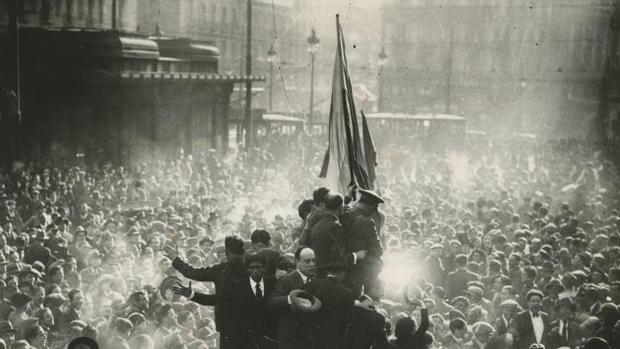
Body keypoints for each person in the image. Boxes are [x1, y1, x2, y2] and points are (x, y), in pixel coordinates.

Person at [268, 247, 317, 349]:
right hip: (290, 335)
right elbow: (272, 300)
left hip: (308, 335)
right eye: (307, 261)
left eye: (314, 260)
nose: (312, 264)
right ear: (297, 262)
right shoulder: (287, 279)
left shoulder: (315, 279)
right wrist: (292, 299)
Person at [342, 189, 385, 299]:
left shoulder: (344, 215)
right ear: (371, 206)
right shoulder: (367, 222)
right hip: (361, 270)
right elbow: (378, 250)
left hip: (344, 265)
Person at [304, 261, 355, 349]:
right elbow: (348, 318)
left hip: (308, 336)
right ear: (342, 273)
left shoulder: (312, 285)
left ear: (328, 271)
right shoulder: (347, 293)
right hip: (331, 340)